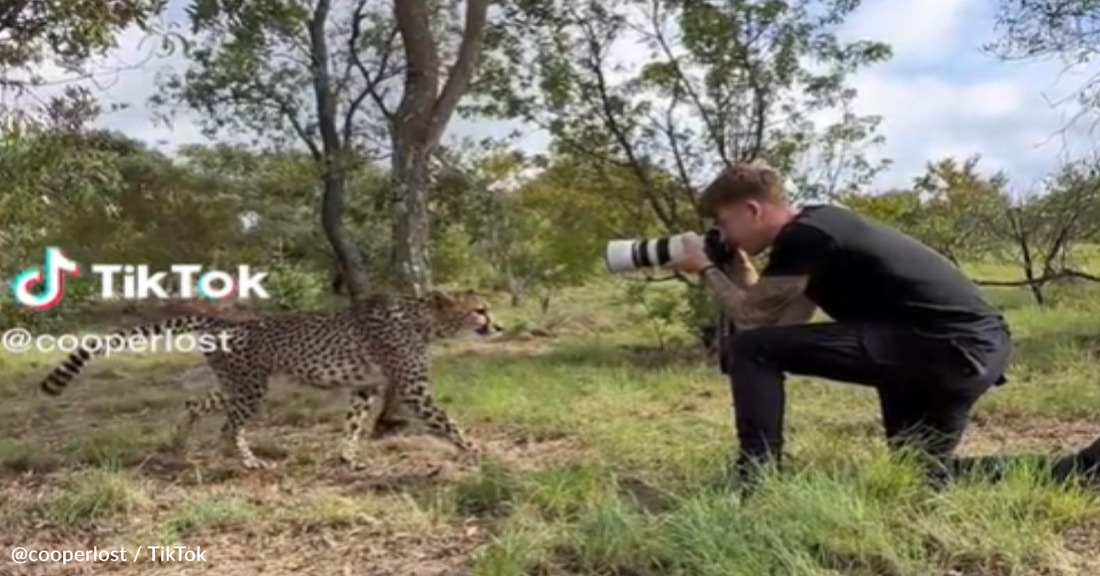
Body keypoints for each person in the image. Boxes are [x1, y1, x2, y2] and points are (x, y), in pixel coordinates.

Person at [667, 160, 1013, 491]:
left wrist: (705, 268)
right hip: (964, 352)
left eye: (722, 223)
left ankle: (755, 480)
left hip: (943, 347)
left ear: (753, 211)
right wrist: (735, 267)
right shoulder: (820, 229)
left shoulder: (804, 238)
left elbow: (752, 322)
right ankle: (1064, 469)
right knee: (918, 474)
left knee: (746, 349)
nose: (721, 235)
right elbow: (774, 324)